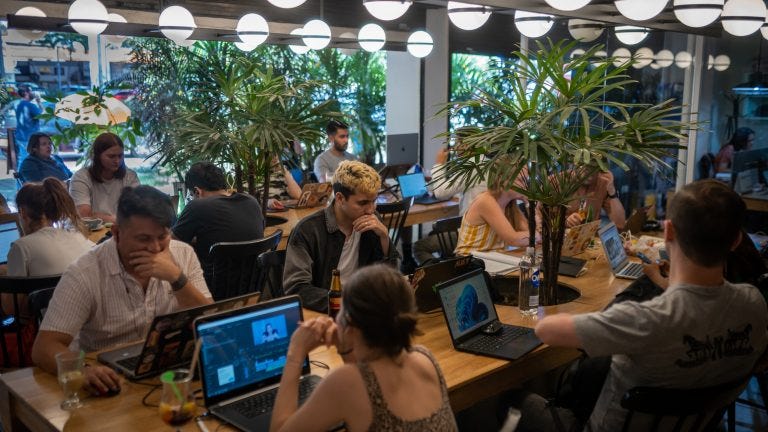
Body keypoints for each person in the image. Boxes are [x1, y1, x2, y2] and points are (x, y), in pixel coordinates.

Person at [518, 179, 767, 432]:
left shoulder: (645, 320)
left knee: (522, 401)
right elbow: (701, 311)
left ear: (668, 232)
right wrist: (665, 283)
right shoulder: (753, 303)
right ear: (736, 240)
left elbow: (545, 330)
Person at [32, 186, 212, 396]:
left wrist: (176, 278)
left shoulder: (184, 254)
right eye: (143, 239)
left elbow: (208, 321)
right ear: (116, 233)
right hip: (109, 380)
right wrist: (83, 371)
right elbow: (44, 347)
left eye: (162, 236)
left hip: (167, 370)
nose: (155, 248)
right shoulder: (84, 273)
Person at [270, 264, 458, 432]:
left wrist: (295, 353)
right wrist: (345, 347)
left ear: (350, 324)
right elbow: (366, 377)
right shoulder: (425, 358)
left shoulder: (346, 382)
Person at [284, 161, 397, 312]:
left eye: (374, 201)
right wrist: (347, 304)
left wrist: (384, 238)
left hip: (363, 310)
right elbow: (296, 288)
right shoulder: (308, 230)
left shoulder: (371, 221)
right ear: (340, 198)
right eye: (363, 203)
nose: (370, 210)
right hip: (325, 314)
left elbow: (390, 278)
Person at [1, 178, 93, 322]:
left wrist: (4, 277)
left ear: (22, 212)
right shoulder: (80, 238)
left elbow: (12, 309)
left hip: (51, 329)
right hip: (89, 324)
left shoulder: (21, 247)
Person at [172, 162, 264, 286]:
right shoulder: (251, 201)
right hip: (253, 286)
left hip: (212, 290)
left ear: (197, 191)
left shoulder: (197, 206)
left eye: (192, 195)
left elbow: (170, 243)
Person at [414, 142, 487, 264]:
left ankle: (439, 274)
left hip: (471, 236)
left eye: (458, 142)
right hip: (486, 232)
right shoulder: (485, 162)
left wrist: (439, 164)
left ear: (466, 144)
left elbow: (440, 192)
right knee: (435, 233)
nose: (455, 147)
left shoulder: (470, 166)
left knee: (419, 247)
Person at [70, 132, 140, 223]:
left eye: (120, 156)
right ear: (97, 156)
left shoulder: (130, 176)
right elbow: (84, 215)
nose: (117, 161)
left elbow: (139, 209)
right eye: (111, 156)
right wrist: (116, 220)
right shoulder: (81, 177)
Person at [454, 185, 537, 256]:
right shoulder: (486, 200)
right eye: (520, 180)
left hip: (494, 259)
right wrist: (538, 235)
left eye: (525, 180)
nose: (524, 185)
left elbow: (531, 233)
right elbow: (514, 240)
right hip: (471, 263)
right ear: (504, 178)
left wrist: (528, 203)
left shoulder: (510, 204)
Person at [14, 86, 42, 169]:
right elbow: (42, 116)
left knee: (23, 158)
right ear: (26, 93)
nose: (32, 93)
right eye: (31, 91)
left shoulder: (18, 105)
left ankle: (19, 180)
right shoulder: (30, 105)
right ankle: (25, 179)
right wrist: (39, 102)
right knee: (30, 159)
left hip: (20, 136)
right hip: (29, 137)